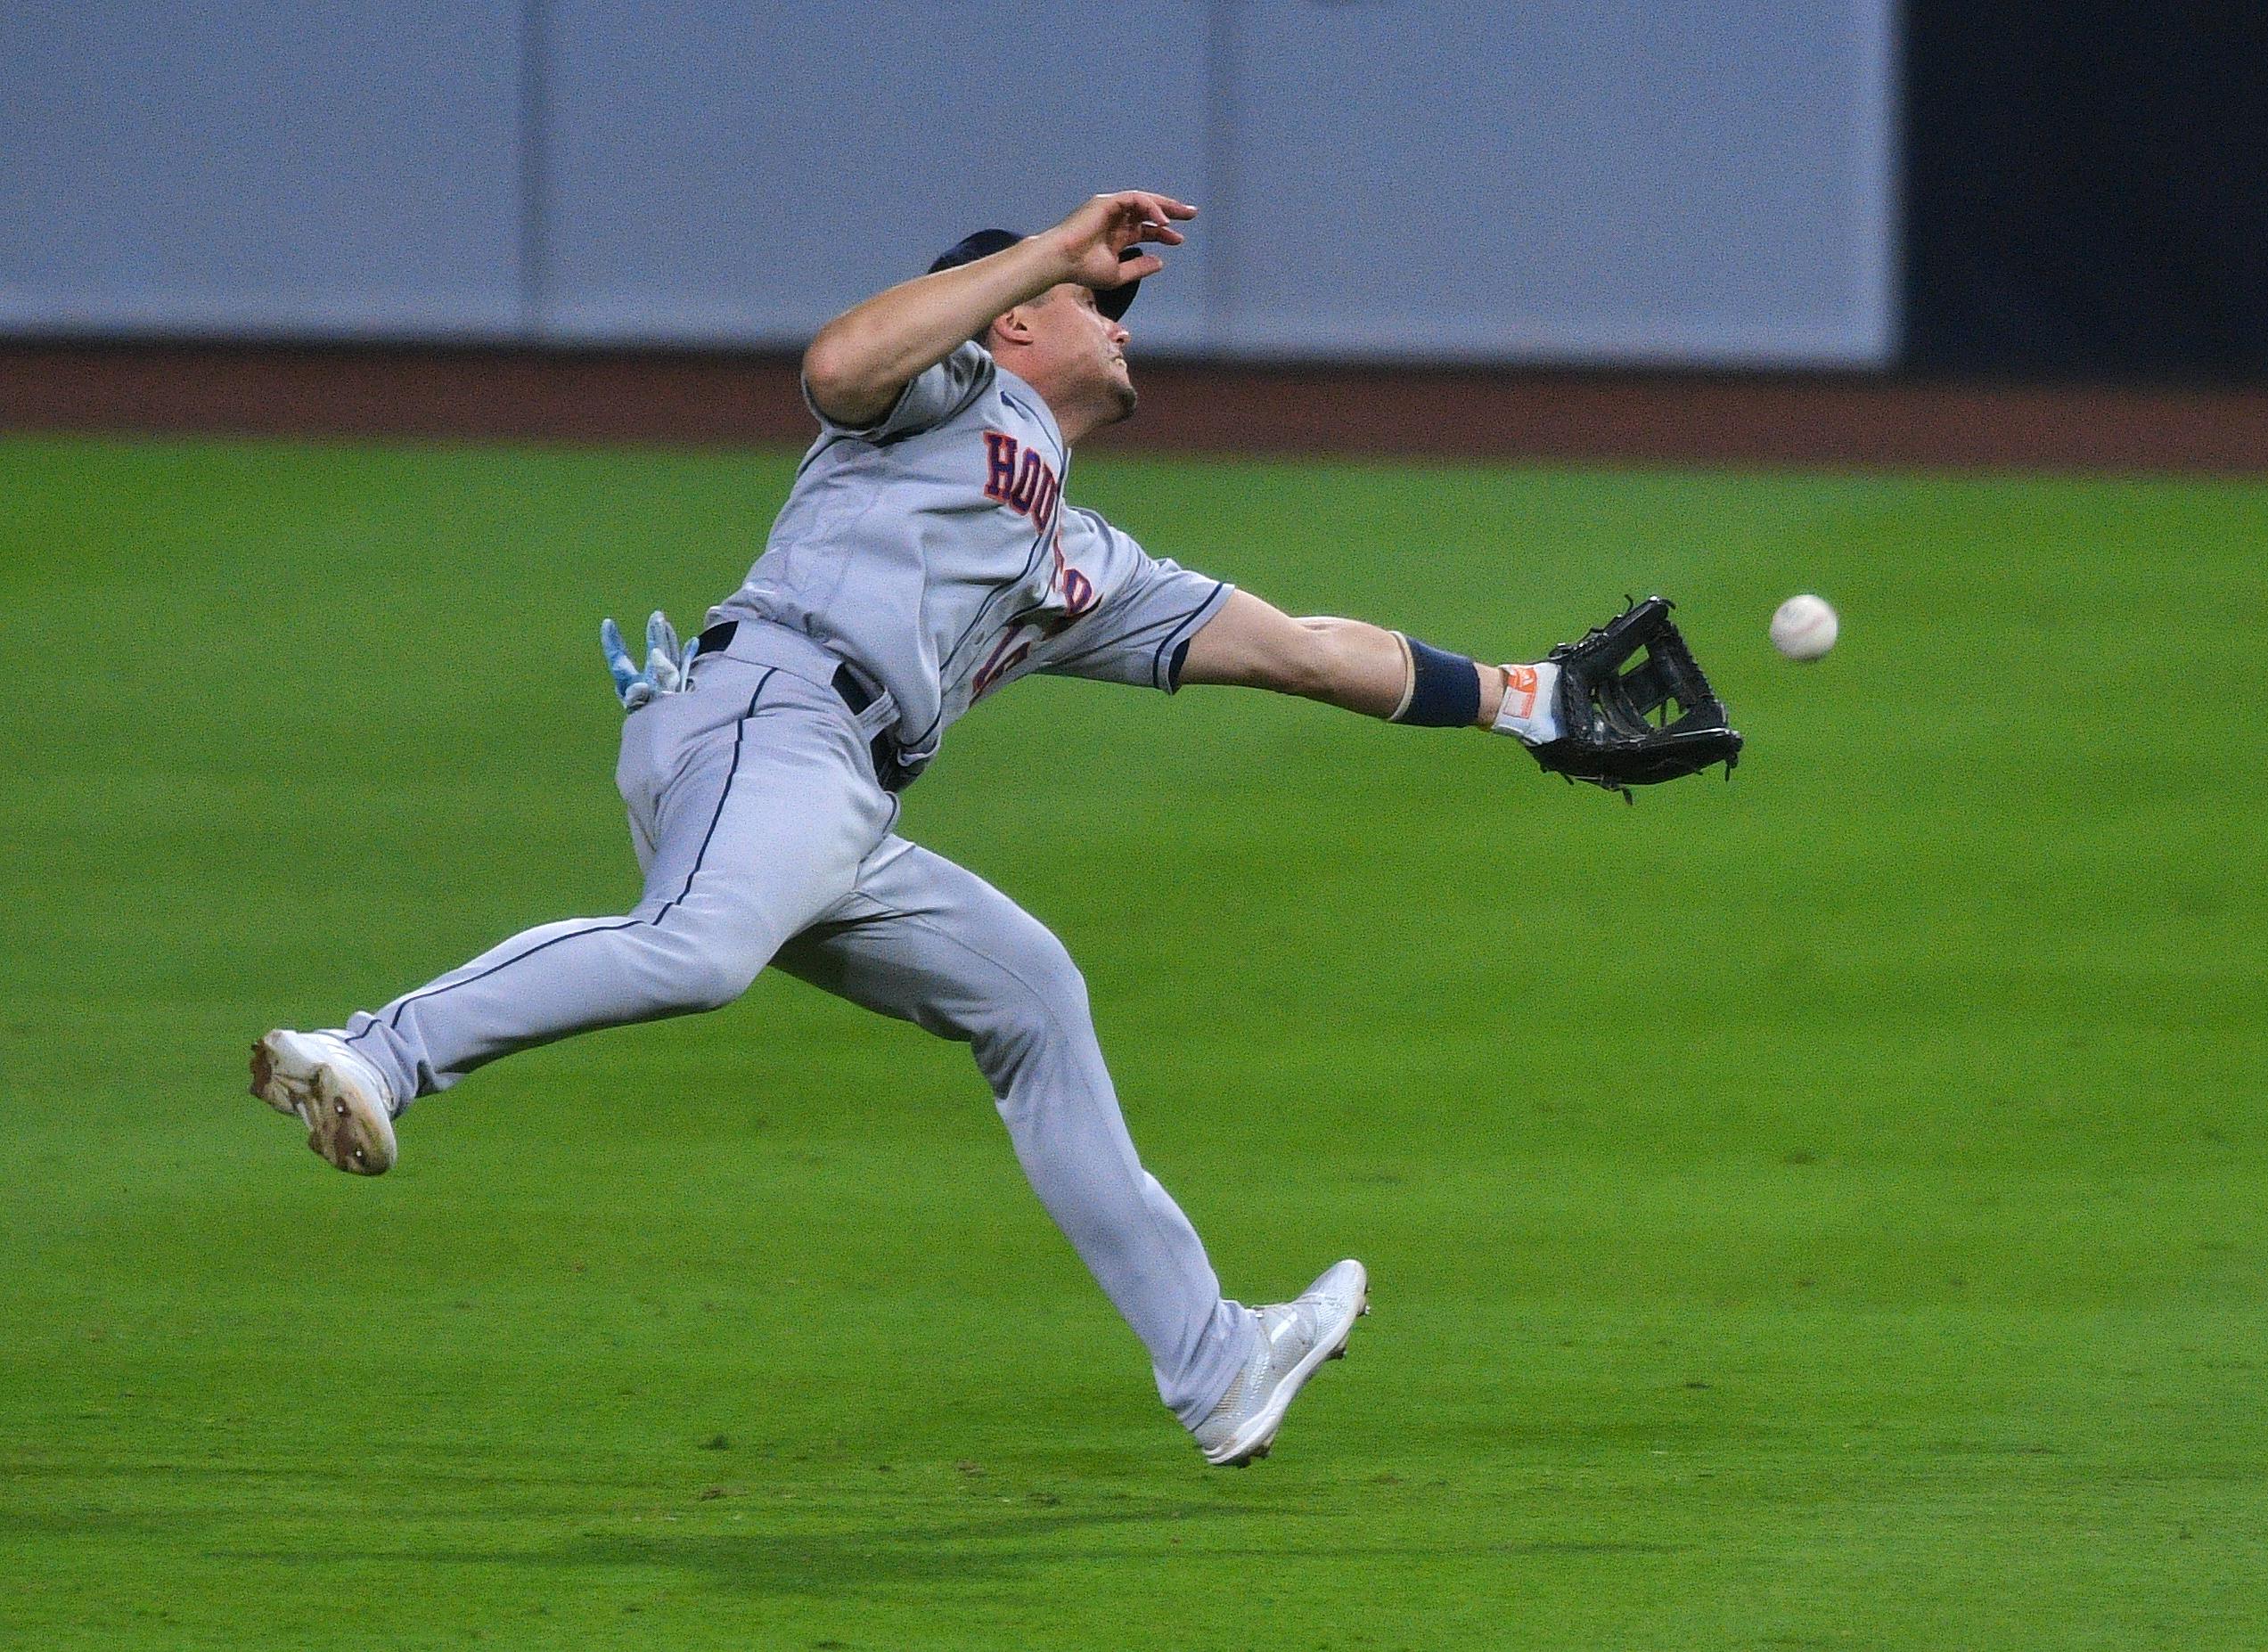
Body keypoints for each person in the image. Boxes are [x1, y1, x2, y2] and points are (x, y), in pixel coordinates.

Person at [250, 191, 1575, 1467]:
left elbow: (1301, 651)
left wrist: (1520, 701)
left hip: (831, 788)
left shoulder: (1085, 557)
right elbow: (838, 362)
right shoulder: (951, 393)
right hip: (775, 714)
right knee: (700, 953)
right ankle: (377, 1052)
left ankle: (1215, 1358)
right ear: (1007, 323)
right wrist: (1049, 244)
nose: (1121, 321)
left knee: (1032, 998)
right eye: (1090, 302)